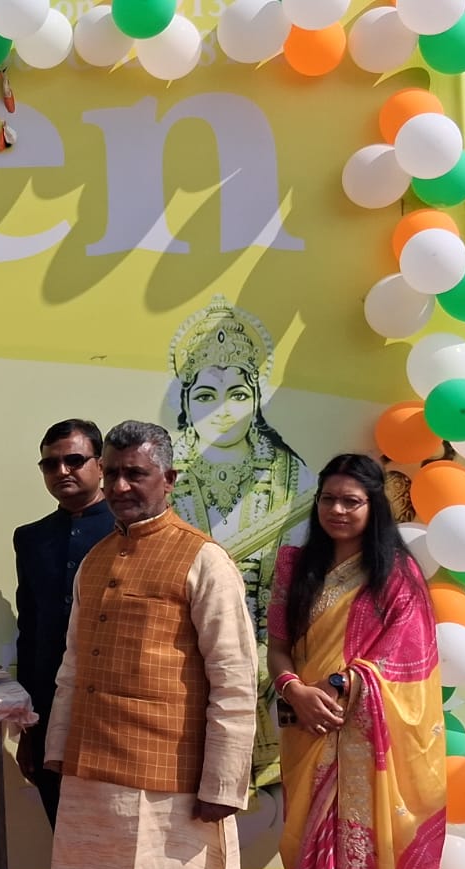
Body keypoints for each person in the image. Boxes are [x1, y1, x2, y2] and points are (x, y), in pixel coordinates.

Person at [45, 420, 258, 869]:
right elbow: (73, 667)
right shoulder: (95, 560)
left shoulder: (204, 560)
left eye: (136, 474)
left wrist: (223, 785)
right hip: (94, 778)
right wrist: (58, 748)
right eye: (112, 473)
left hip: (171, 785)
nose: (120, 486)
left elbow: (234, 680)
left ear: (169, 479)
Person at [267, 454, 446, 869]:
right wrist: (295, 691)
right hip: (307, 731)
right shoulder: (294, 567)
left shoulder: (396, 575)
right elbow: (278, 649)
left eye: (351, 501)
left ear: (373, 505)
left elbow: (409, 660)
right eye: (328, 499)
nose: (337, 510)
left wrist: (339, 685)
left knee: (366, 856)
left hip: (365, 740)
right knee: (307, 846)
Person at [166, 299, 318, 789]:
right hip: (179, 657)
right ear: (186, 402)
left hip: (271, 660)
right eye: (206, 395)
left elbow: (302, 578)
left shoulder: (294, 477)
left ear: (256, 399)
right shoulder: (163, 476)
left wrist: (267, 654)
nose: (222, 411)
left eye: (237, 394)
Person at [12, 418, 114, 869]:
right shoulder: (32, 538)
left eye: (75, 460)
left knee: (117, 845)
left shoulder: (130, 530)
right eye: (51, 464)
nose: (62, 471)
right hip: (53, 713)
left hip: (117, 715)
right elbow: (29, 630)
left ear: (101, 464)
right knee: (70, 845)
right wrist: (29, 725)